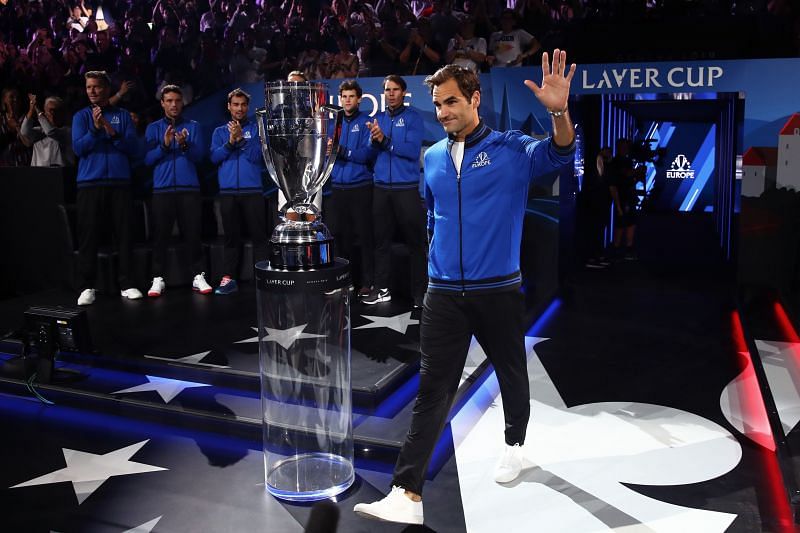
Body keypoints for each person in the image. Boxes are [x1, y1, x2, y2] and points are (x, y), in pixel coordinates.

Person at [353, 52, 576, 525]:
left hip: (497, 292)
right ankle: (406, 492)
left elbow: (559, 153)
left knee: (512, 375)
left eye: (451, 102)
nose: (443, 112)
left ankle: (515, 445)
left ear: (475, 99)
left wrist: (558, 112)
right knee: (433, 390)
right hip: (443, 296)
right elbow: (434, 215)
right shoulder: (432, 157)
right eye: (436, 104)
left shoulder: (513, 150)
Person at [72, 71, 142, 305]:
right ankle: (87, 286)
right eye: (89, 87)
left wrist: (110, 132)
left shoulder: (122, 115)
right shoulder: (81, 117)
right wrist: (94, 129)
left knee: (124, 236)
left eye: (97, 87)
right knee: (88, 237)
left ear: (107, 89)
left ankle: (127, 283)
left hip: (120, 184)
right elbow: (79, 149)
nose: (92, 91)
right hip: (89, 185)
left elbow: (132, 148)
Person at [363, 74, 426, 307]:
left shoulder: (413, 118)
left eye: (395, 89)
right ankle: (382, 289)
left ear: (403, 93)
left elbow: (411, 151)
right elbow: (369, 155)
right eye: (387, 90)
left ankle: (419, 294)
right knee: (381, 242)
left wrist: (385, 140)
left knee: (416, 243)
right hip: (380, 189)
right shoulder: (377, 118)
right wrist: (374, 140)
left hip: (406, 189)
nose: (391, 93)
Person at [144, 84, 210, 297]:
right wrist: (164, 146)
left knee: (193, 235)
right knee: (160, 236)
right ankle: (157, 278)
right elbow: (146, 159)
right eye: (169, 101)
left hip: (189, 189)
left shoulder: (193, 126)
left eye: (177, 101)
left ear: (183, 103)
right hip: (162, 191)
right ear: (162, 103)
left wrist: (184, 145)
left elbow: (199, 157)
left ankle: (197, 276)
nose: (174, 104)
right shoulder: (153, 128)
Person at [209, 88, 268, 295]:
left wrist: (241, 139)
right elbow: (214, 158)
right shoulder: (219, 132)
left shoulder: (257, 129)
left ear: (247, 107)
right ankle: (229, 278)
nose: (239, 108)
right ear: (229, 107)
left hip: (253, 192)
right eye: (235, 104)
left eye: (243, 105)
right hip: (228, 193)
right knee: (231, 238)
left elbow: (257, 157)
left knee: (259, 237)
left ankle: (262, 279)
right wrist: (230, 142)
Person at [327, 79, 375, 297]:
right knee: (339, 237)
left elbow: (366, 155)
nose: (347, 100)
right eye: (344, 96)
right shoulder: (333, 124)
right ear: (340, 99)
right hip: (338, 188)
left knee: (364, 236)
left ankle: (367, 282)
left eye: (351, 96)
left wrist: (341, 151)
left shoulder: (367, 122)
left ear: (359, 99)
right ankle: (344, 281)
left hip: (361, 187)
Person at [607, 138, 644, 260]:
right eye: (623, 146)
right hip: (622, 197)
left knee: (630, 222)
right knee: (621, 223)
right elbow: (625, 175)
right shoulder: (616, 161)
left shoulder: (627, 160)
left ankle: (628, 249)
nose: (625, 149)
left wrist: (637, 175)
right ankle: (617, 250)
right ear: (619, 147)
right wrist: (636, 172)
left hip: (630, 196)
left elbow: (631, 179)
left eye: (627, 147)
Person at [20, 94, 75, 167]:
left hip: (60, 175)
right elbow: (24, 132)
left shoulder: (68, 131)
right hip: (39, 175)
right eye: (50, 110)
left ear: (62, 113)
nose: (52, 114)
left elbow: (50, 131)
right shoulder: (39, 131)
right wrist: (31, 109)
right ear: (45, 113)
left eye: (56, 111)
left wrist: (37, 109)